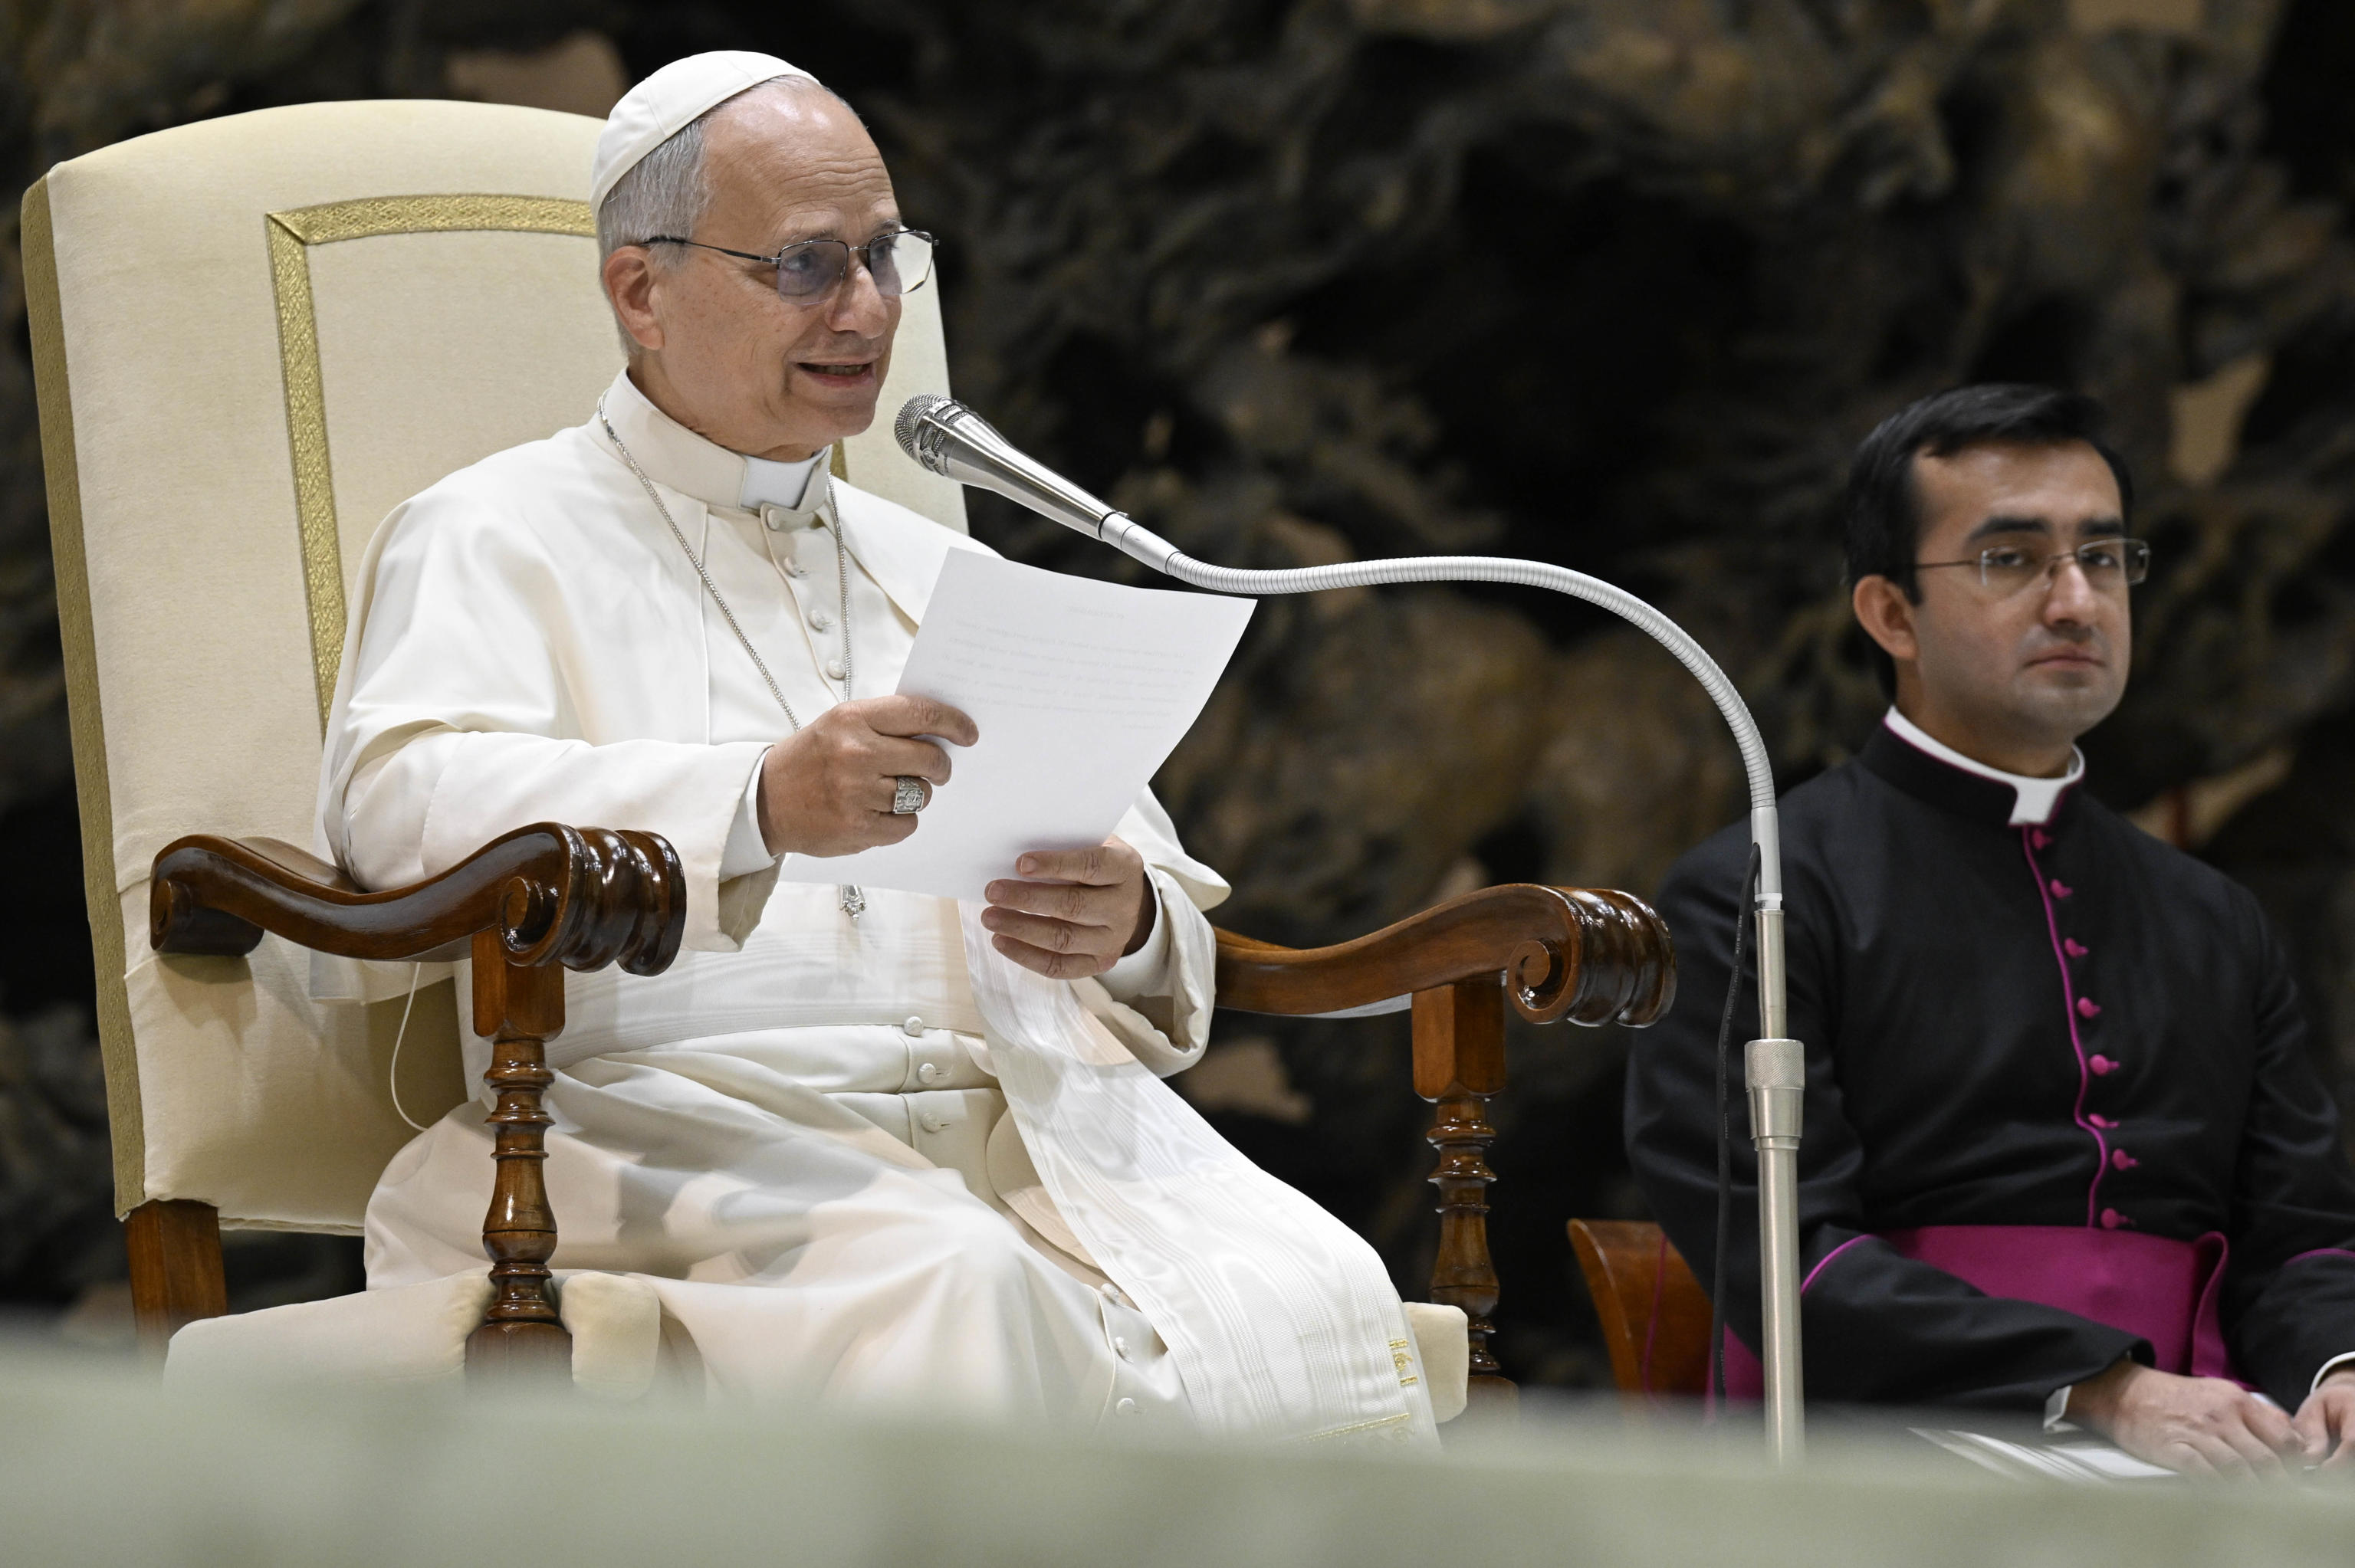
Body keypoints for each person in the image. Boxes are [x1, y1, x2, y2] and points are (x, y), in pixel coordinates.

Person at [315, 51, 1444, 1445]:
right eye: (802, 264)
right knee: (959, 1288)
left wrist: (1130, 919)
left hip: (1017, 1137)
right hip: (660, 1136)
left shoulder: (928, 561)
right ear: (640, 291)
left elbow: (1149, 890)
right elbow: (395, 808)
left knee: (1321, 1290)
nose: (864, 310)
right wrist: (755, 801)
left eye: (882, 256)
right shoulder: (492, 532)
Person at [1626, 384, 2355, 1475]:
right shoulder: (1758, 892)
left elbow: (2302, 1233)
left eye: (2103, 559)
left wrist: (2337, 1372)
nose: (2075, 601)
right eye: (2012, 560)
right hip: (1893, 1435)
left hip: (2212, 1427)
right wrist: (2104, 1385)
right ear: (1889, 614)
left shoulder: (2215, 919)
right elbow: (1789, 1258)